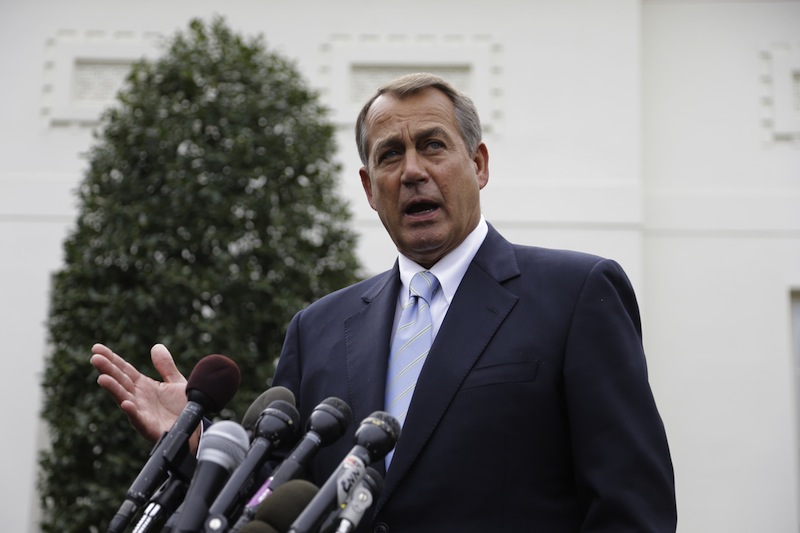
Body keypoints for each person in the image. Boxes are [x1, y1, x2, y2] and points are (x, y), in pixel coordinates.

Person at [92, 72, 677, 532]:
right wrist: (201, 451)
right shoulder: (317, 329)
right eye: (390, 155)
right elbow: (276, 504)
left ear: (478, 164)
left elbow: (631, 507)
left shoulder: (575, 294)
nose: (413, 171)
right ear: (370, 188)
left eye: (433, 146)